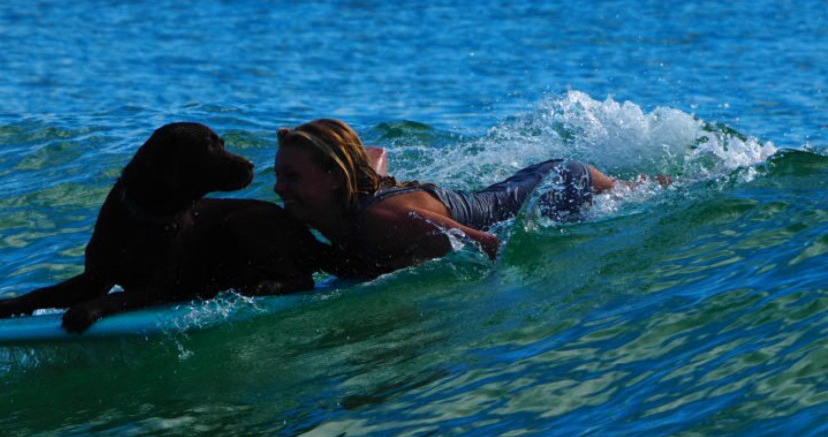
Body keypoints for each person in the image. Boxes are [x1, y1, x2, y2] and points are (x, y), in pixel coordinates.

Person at [274, 118, 640, 278]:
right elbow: (374, 151)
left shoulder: (384, 219)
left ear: (336, 178)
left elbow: (493, 245)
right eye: (278, 176)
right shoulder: (360, 188)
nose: (278, 189)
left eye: (291, 177)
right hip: (533, 178)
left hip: (559, 188)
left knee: (658, 191)